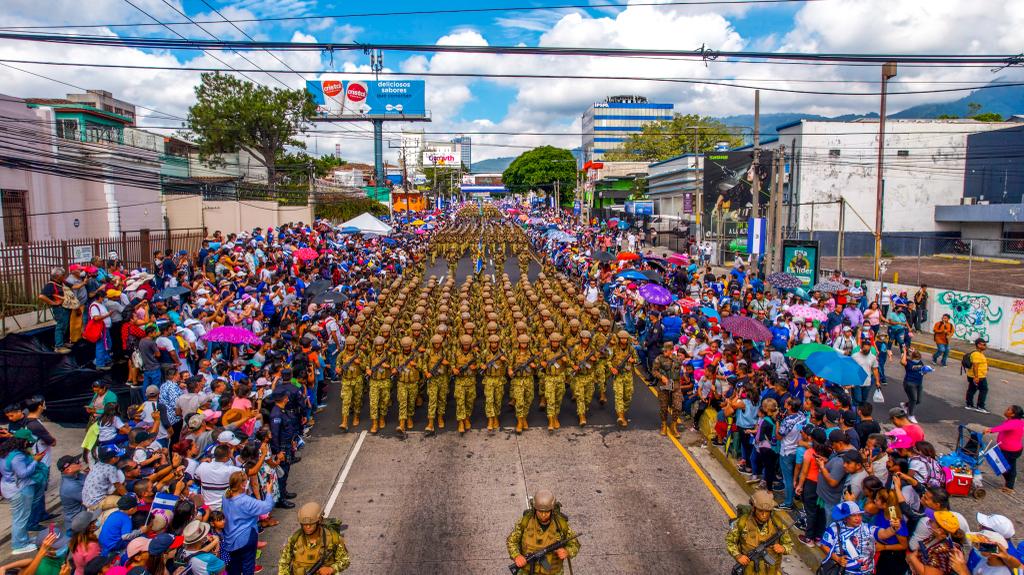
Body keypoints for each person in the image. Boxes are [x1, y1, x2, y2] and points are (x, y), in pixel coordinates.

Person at [506, 489, 580, 575]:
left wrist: (567, 551)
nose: (543, 515)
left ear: (552, 510)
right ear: (535, 509)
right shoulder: (525, 522)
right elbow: (511, 541)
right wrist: (517, 556)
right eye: (540, 511)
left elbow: (575, 544)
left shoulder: (561, 525)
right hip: (527, 571)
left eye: (547, 512)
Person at [818, 501, 902, 574]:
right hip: (845, 572)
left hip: (866, 572)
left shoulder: (867, 528)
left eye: (859, 515)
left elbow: (884, 534)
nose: (858, 518)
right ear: (846, 517)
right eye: (854, 516)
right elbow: (824, 545)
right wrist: (837, 559)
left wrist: (893, 529)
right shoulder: (834, 529)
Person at [725, 490, 792, 575]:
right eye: (761, 510)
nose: (764, 514)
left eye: (767, 511)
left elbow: (789, 544)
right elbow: (730, 541)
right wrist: (738, 556)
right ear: (754, 508)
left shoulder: (777, 525)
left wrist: (783, 548)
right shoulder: (742, 523)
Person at [222, 470, 275, 575]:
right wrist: (269, 492)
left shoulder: (225, 496)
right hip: (245, 538)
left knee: (234, 568)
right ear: (242, 484)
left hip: (229, 539)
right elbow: (267, 507)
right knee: (248, 567)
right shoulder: (245, 501)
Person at [0, 431, 44, 554]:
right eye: (27, 441)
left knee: (19, 516)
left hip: (9, 487)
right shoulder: (17, 456)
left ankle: (23, 539)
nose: (28, 443)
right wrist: (35, 461)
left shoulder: (5, 452)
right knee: (21, 518)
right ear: (22, 441)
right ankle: (19, 545)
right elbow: (23, 473)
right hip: (20, 489)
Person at [278, 502, 351, 575]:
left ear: (319, 521)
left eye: (311, 524)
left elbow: (345, 561)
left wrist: (332, 569)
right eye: (305, 524)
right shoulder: (294, 539)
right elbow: (283, 563)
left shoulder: (333, 539)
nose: (308, 527)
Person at [906, 509, 964, 575]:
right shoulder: (934, 536)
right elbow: (921, 550)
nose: (928, 521)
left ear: (940, 530)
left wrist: (913, 558)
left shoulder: (942, 551)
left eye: (931, 521)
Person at [984, 405, 1023, 493]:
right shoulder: (1012, 421)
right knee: (1006, 467)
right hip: (1008, 449)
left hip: (1011, 451)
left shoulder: (1015, 423)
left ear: (1013, 414)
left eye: (1008, 409)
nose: (1006, 410)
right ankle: (1010, 482)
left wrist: (991, 430)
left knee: (1005, 467)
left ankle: (1010, 486)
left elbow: (1003, 428)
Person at [900, 347, 927, 423]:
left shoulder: (920, 362)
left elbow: (923, 371)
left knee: (918, 400)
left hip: (919, 383)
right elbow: (902, 362)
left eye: (919, 358)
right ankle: (911, 415)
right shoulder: (908, 362)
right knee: (913, 399)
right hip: (909, 383)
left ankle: (905, 405)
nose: (918, 360)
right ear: (912, 357)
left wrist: (926, 371)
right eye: (917, 358)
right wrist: (905, 352)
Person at [965, 338, 989, 414]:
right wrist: (976, 377)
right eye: (984, 344)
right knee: (984, 390)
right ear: (978, 345)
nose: (985, 346)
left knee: (972, 389)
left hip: (975, 376)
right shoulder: (977, 354)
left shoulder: (979, 353)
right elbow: (975, 366)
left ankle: (969, 405)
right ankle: (980, 406)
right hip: (978, 376)